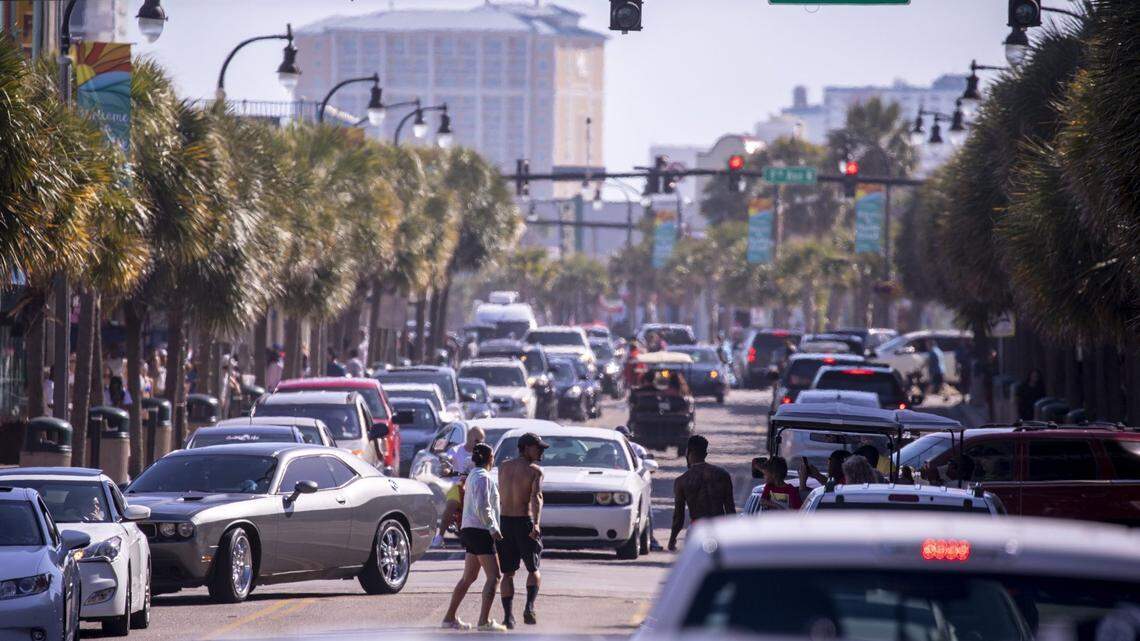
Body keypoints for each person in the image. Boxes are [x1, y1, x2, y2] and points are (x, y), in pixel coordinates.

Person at [442, 443, 507, 632]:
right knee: (494, 576)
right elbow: (483, 506)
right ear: (489, 459)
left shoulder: (472, 476)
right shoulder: (483, 478)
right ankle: (484, 621)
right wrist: (493, 528)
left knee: (469, 576)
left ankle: (449, 618)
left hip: (470, 530)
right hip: (480, 531)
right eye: (493, 456)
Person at [497, 432, 548, 628]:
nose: (541, 451)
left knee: (508, 573)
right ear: (525, 448)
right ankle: (529, 607)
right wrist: (536, 523)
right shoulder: (535, 471)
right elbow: (536, 498)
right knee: (533, 569)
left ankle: (508, 617)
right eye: (538, 447)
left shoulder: (503, 467)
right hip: (524, 523)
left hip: (504, 523)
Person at [669, 435, 734, 552]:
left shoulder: (682, 481)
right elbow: (730, 509)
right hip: (720, 528)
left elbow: (679, 517)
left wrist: (672, 539)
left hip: (697, 529)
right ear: (705, 454)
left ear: (688, 452)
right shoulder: (722, 475)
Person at [434, 427, 487, 548]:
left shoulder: (483, 451)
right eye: (477, 440)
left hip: (477, 486)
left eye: (482, 441)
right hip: (459, 485)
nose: (480, 443)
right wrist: (446, 468)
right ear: (469, 438)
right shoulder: (456, 450)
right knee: (451, 504)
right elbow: (448, 461)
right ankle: (440, 536)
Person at [615, 425, 663, 552]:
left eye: (625, 437)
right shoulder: (609, 448)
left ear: (629, 437)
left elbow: (648, 467)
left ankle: (650, 540)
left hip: (637, 486)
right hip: (617, 485)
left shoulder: (637, 449)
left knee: (646, 512)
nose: (624, 439)